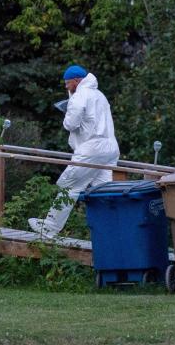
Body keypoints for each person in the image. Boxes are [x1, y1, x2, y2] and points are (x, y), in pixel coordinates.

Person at [28, 65, 120, 238]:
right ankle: (112, 230)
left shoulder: (80, 96)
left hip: (92, 149)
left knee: (69, 185)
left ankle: (49, 228)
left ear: (77, 81)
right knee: (103, 191)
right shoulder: (100, 95)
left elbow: (70, 124)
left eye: (68, 83)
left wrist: (69, 106)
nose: (66, 87)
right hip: (110, 148)